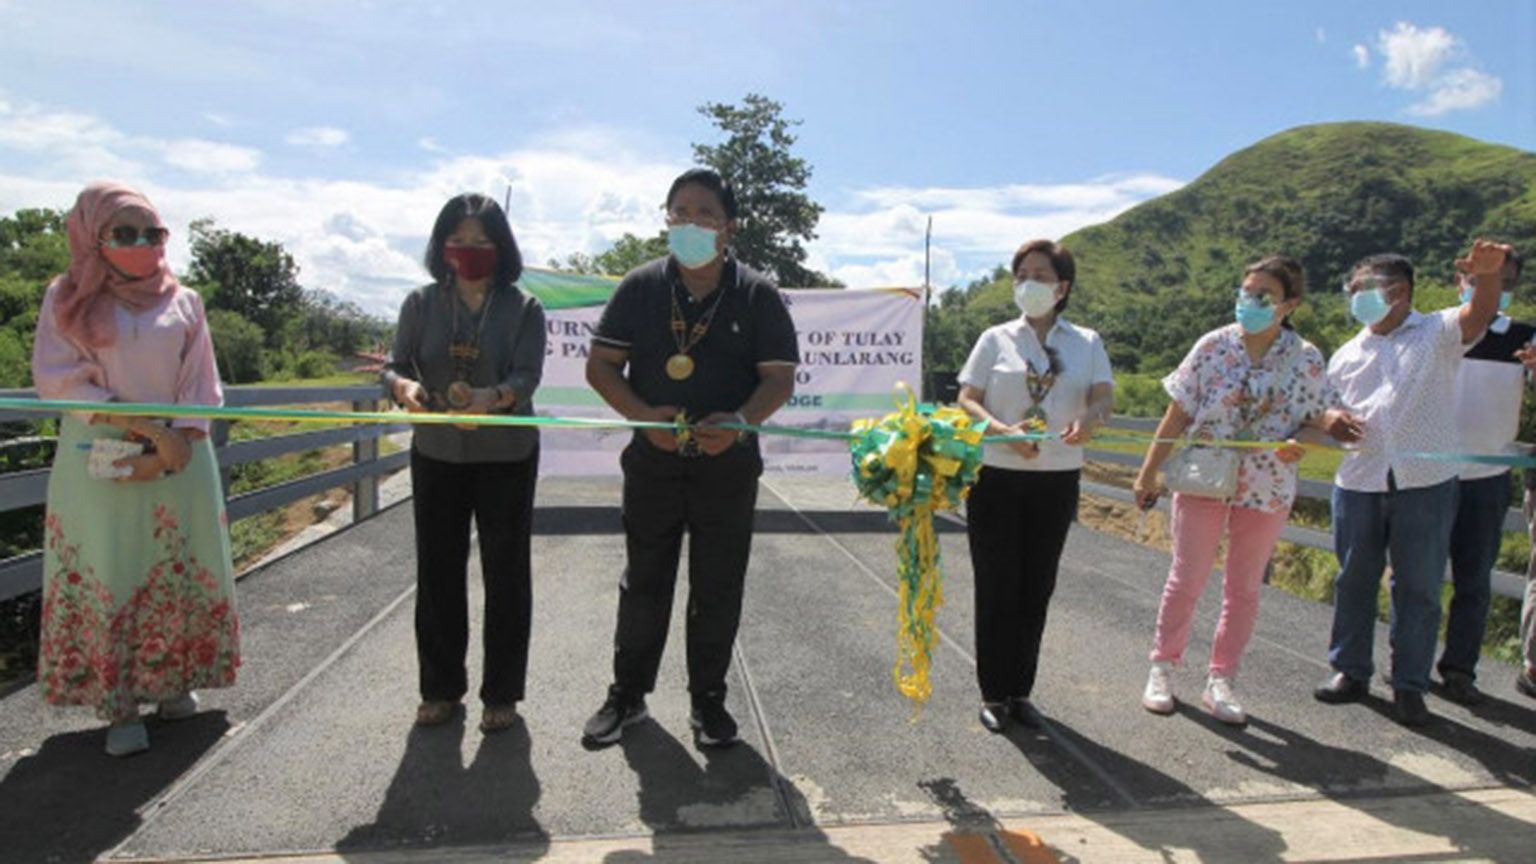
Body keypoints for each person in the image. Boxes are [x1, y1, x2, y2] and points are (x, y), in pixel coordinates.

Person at [580, 168, 797, 748]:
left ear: (729, 227)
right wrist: (642, 416)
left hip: (727, 468)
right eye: (680, 212)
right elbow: (601, 366)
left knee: (718, 585)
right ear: (666, 220)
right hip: (653, 463)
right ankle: (627, 696)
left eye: (705, 214)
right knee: (644, 581)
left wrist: (743, 423)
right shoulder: (640, 286)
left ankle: (709, 702)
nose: (691, 223)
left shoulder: (756, 294)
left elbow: (778, 379)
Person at [32, 182, 239, 757]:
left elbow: (202, 382)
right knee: (110, 564)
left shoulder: (186, 301)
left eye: (153, 233)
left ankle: (173, 682)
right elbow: (59, 379)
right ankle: (118, 700)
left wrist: (183, 438)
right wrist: (151, 434)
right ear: (92, 236)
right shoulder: (68, 299)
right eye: (125, 233)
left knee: (176, 561)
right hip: (101, 455)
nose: (141, 244)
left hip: (180, 458)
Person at [1313, 241, 1509, 727]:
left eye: (1360, 289)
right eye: (1352, 290)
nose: (1353, 298)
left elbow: (1479, 314)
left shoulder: (1436, 332)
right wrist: (1329, 417)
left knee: (1419, 587)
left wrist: (1487, 277)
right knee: (1354, 579)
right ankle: (1350, 670)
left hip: (1426, 483)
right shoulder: (1346, 353)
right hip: (1358, 481)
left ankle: (1409, 685)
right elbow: (1318, 407)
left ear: (1398, 292)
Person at [1132, 256, 1330, 724]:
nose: (1250, 303)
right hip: (1204, 474)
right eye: (1246, 293)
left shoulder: (1306, 357)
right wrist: (1147, 472)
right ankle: (1162, 666)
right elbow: (1177, 412)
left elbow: (1318, 421)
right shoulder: (1212, 346)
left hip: (1267, 484)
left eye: (1263, 296)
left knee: (1243, 588)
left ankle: (1221, 679)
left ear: (1290, 304)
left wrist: (1299, 444)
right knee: (1187, 577)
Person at [381, 193, 546, 733]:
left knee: (506, 573)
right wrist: (401, 386)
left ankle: (503, 692)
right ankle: (440, 687)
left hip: (506, 454)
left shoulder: (523, 308)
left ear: (501, 248)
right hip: (437, 453)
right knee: (438, 571)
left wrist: (492, 399)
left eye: (481, 242)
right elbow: (393, 367)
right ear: (441, 246)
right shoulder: (419, 304)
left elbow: (526, 377)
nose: (469, 251)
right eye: (459, 241)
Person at [956, 239, 1114, 733]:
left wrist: (1089, 420)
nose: (1029, 283)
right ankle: (992, 692)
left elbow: (1103, 399)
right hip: (996, 476)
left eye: (1040, 275)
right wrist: (1001, 432)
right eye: (1021, 273)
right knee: (997, 583)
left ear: (1062, 287)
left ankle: (1021, 691)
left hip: (1056, 477)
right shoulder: (995, 338)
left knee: (1036, 586)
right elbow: (967, 398)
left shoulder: (1086, 342)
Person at [1439, 247, 1529, 706]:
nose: (1494, 288)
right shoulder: (1436, 330)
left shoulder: (1526, 340)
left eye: (1503, 280)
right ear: (1462, 277)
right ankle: (1406, 667)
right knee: (1417, 577)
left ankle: (1459, 670)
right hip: (1429, 472)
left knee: (1474, 580)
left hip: (1489, 475)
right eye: (1482, 276)